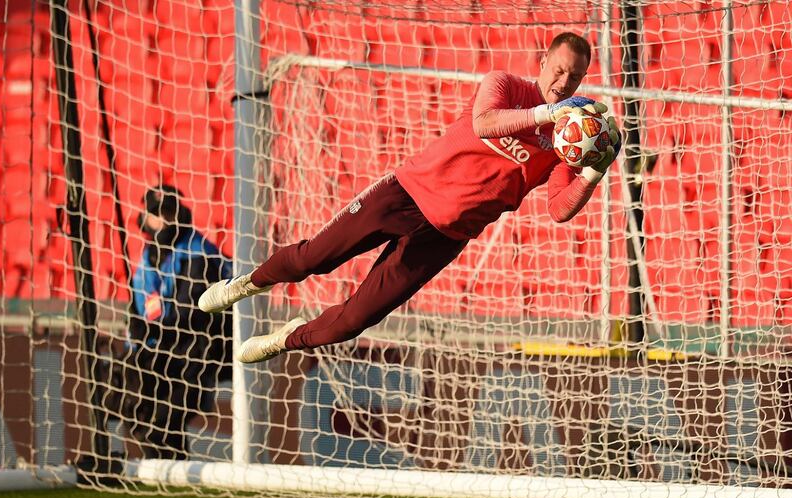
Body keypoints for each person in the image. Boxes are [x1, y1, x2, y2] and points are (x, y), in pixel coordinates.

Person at [198, 32, 621, 364]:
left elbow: (558, 209)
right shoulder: (506, 86)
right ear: (543, 61)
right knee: (313, 260)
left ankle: (284, 340)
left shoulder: (564, 143)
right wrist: (547, 114)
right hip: (404, 194)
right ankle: (246, 284)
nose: (564, 83)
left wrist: (592, 169)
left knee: (353, 322)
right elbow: (484, 124)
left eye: (575, 78)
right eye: (560, 70)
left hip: (443, 237)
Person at [105, 185, 233, 459]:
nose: (164, 220)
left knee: (160, 415)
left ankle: (168, 461)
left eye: (169, 212)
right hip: (165, 346)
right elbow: (140, 311)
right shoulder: (148, 258)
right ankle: (164, 462)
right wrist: (137, 338)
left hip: (200, 348)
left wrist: (150, 329)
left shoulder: (199, 254)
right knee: (127, 388)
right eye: (157, 213)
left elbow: (194, 312)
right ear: (146, 218)